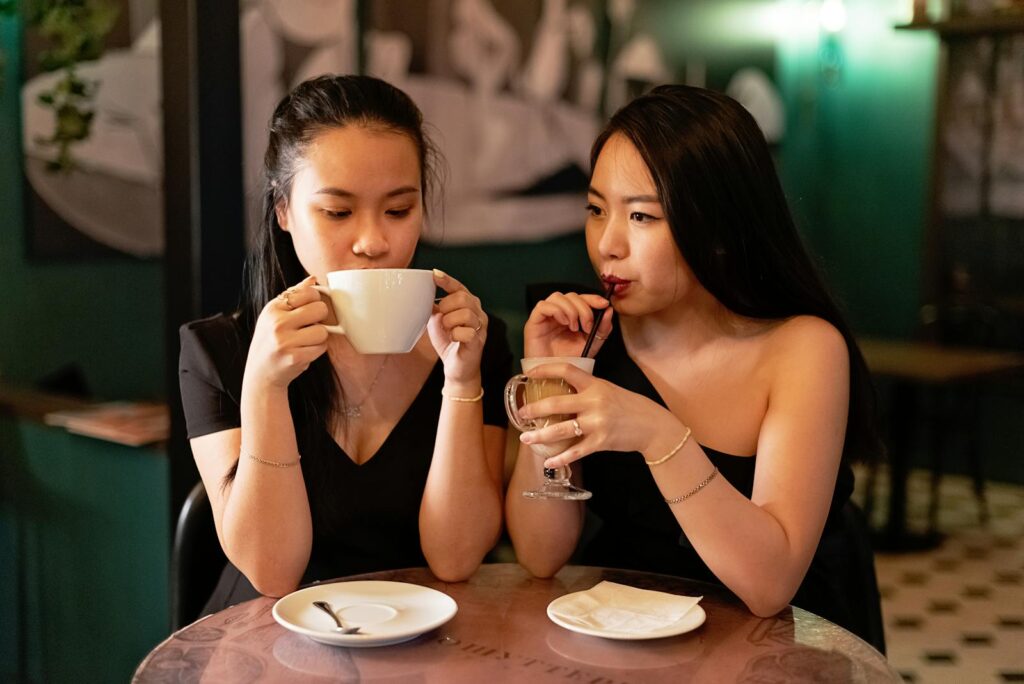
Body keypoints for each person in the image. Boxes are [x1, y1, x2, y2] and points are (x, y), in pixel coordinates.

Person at [505, 85, 883, 637]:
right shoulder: (586, 335)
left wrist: (660, 436)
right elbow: (539, 556)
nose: (608, 243)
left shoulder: (801, 347)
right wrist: (546, 382)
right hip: (628, 624)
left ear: (721, 228)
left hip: (787, 635)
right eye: (595, 209)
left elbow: (770, 586)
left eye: (642, 217)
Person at [179, 74, 511, 612]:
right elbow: (273, 570)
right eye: (337, 212)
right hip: (267, 640)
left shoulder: (470, 343)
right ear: (283, 211)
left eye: (399, 210)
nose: (373, 242)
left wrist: (462, 380)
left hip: (417, 632)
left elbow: (457, 558)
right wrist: (264, 385)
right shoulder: (219, 350)